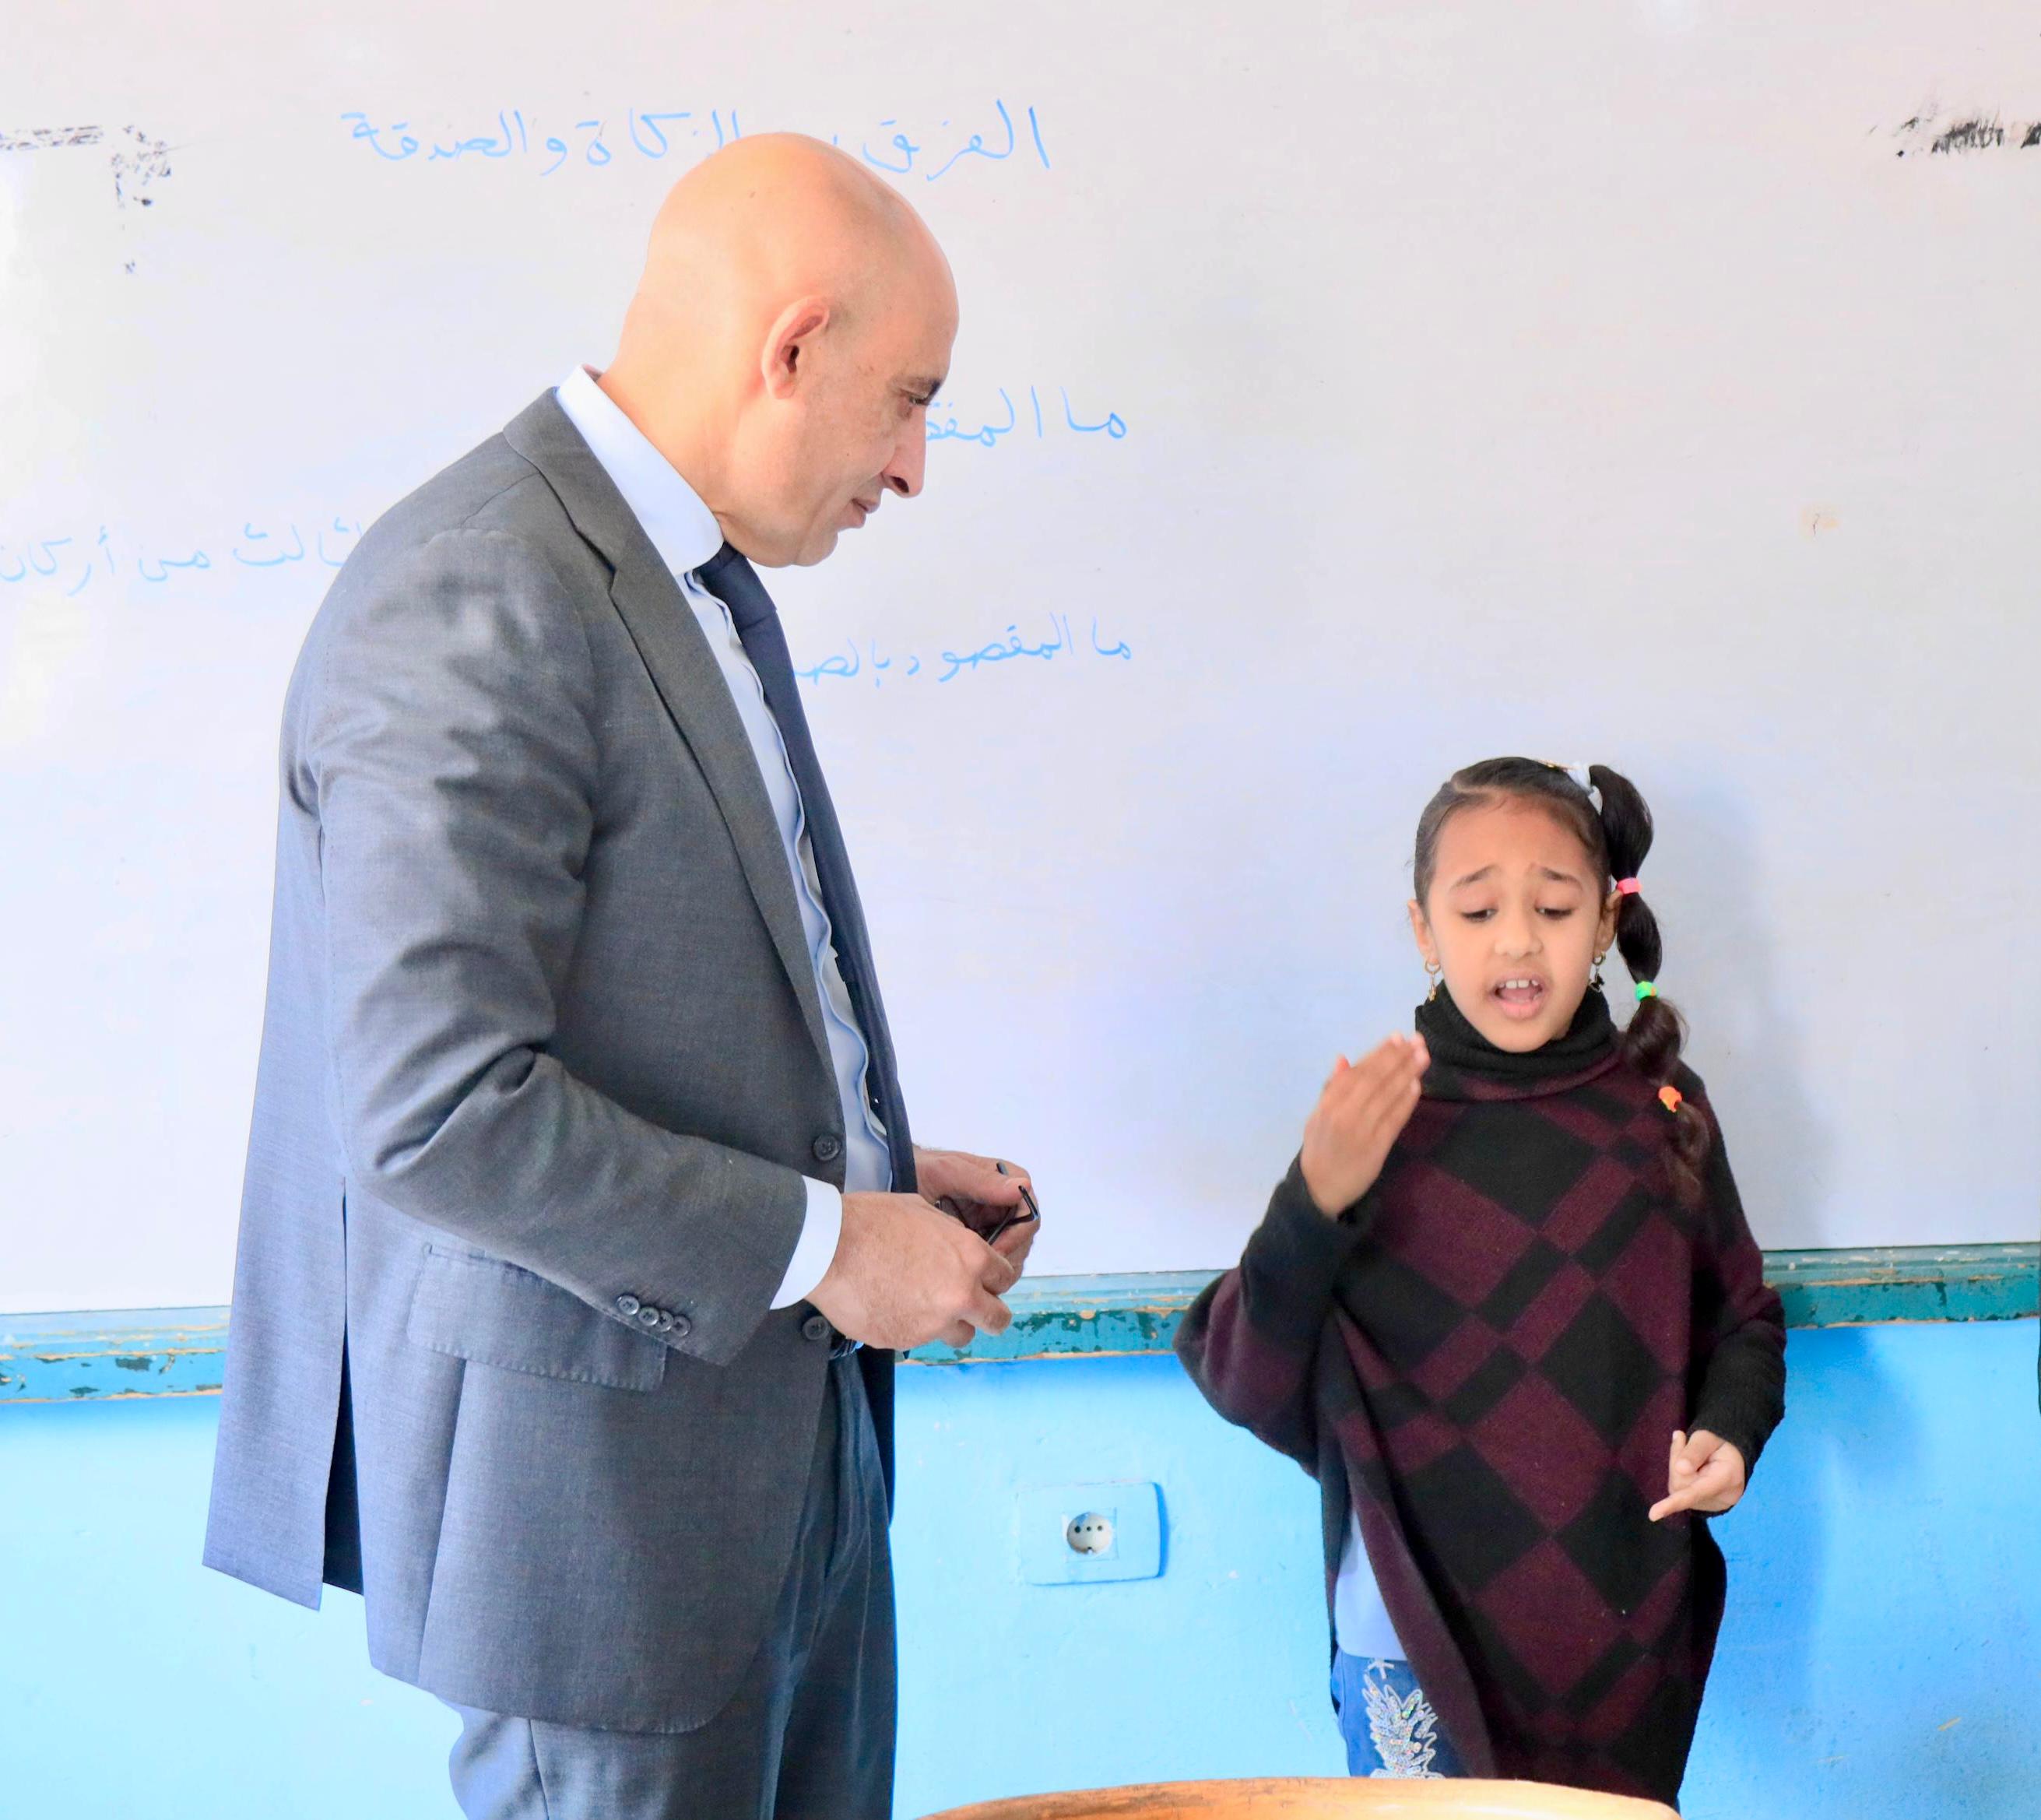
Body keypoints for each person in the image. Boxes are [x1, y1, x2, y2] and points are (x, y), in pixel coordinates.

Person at [204, 134, 1038, 1820]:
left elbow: (658, 1002)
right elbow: (438, 1108)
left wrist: (869, 1176)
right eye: (908, 401)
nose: (914, 467)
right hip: (601, 1533)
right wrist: (826, 1241)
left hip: (782, 1474)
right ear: (790, 347)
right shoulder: (480, 584)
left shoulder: (683, 582)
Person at [1175, 757, 1786, 1804]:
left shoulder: (1660, 1110)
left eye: (1553, 907)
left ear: (1605, 922)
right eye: (1476, 910)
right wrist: (1313, 1199)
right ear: (1424, 930)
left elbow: (1744, 1321)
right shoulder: (1377, 1120)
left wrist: (1727, 1436)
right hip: (1408, 1626)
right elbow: (1241, 1372)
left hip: (1612, 1627)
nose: (1516, 940)